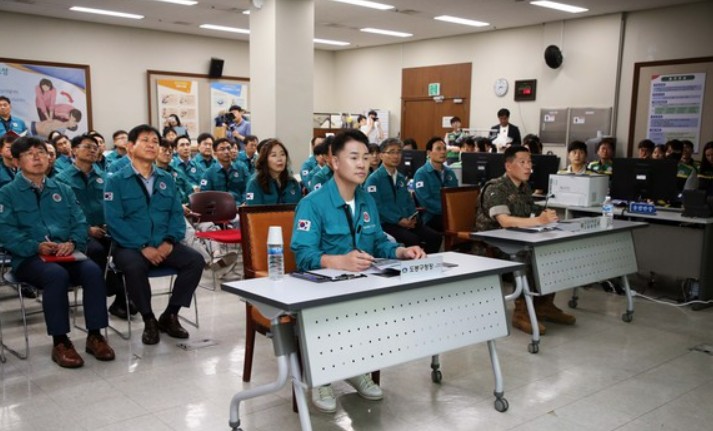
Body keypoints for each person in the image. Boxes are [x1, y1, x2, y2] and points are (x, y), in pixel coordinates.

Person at [291, 129, 425, 413]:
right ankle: (322, 377)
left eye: (366, 157)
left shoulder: (366, 200)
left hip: (362, 281)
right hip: (323, 287)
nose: (362, 164)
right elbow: (303, 256)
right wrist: (337, 261)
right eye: (354, 157)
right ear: (334, 162)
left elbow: (377, 242)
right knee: (335, 310)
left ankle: (355, 368)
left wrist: (400, 251)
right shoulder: (312, 203)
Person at [0, 136, 115, 368]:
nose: (37, 157)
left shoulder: (62, 189)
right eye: (29, 154)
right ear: (17, 161)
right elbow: (6, 231)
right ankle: (61, 341)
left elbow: (79, 221)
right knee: (56, 275)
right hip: (29, 258)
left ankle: (95, 335)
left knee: (93, 270)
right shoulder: (7, 193)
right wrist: (35, 246)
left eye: (41, 152)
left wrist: (73, 242)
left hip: (66, 253)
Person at [103, 124, 204, 345]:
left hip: (163, 242)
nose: (152, 144)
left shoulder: (166, 179)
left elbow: (176, 215)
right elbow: (114, 221)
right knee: (134, 266)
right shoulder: (116, 180)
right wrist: (142, 247)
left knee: (195, 260)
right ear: (130, 147)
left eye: (155, 141)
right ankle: (148, 319)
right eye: (145, 140)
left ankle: (170, 314)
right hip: (130, 246)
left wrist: (169, 241)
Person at [475, 146, 574, 335]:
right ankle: (520, 312)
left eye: (530, 162)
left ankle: (544, 304)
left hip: (518, 237)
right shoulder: (495, 187)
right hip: (492, 241)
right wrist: (538, 220)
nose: (528, 167)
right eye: (522, 162)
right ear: (509, 166)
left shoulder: (524, 187)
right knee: (525, 255)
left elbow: (530, 210)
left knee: (552, 249)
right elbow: (504, 221)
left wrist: (545, 215)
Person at [56, 134, 133, 319]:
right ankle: (118, 293)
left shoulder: (105, 177)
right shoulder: (61, 179)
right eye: (88, 146)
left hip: (106, 229)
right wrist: (87, 229)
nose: (93, 150)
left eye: (95, 147)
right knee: (97, 250)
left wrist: (112, 225)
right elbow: (62, 213)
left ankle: (121, 299)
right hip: (78, 232)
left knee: (128, 249)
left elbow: (115, 205)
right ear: (74, 150)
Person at [365, 138, 442, 253]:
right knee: (412, 240)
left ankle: (425, 265)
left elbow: (408, 201)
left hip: (405, 221)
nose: (396, 156)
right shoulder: (374, 179)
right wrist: (399, 220)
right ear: (381, 156)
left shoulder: (401, 178)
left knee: (435, 237)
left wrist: (412, 216)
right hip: (386, 223)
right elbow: (377, 207)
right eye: (391, 152)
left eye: (398, 152)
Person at [413, 136, 459, 232]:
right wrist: (447, 211)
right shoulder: (421, 174)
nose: (443, 152)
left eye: (444, 149)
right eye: (438, 149)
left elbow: (455, 195)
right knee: (456, 225)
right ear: (429, 153)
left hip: (450, 214)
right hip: (431, 217)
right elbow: (425, 201)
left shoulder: (450, 172)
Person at [245, 139, 302, 205]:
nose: (279, 159)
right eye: (274, 155)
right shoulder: (255, 183)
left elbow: (300, 209)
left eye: (282, 154)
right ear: (265, 159)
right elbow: (253, 212)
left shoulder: (292, 182)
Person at [199, 137, 250, 205]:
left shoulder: (241, 169)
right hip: (218, 209)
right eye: (222, 149)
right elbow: (205, 195)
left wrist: (245, 202)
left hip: (240, 207)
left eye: (228, 148)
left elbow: (248, 188)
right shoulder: (209, 173)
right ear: (215, 154)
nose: (226, 152)